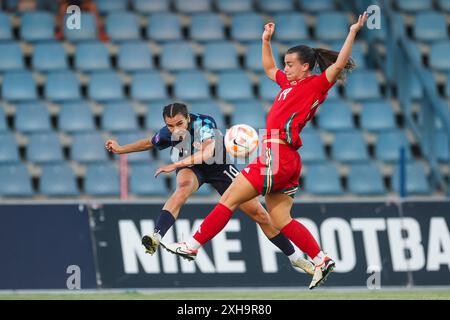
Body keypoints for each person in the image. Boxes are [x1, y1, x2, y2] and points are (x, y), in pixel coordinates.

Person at [162, 12, 369, 290]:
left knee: (230, 199)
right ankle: (321, 258)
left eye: (291, 64)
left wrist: (353, 32)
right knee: (281, 219)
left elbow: (339, 63)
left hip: (278, 154)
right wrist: (265, 41)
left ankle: (192, 244)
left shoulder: (315, 84)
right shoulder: (288, 84)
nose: (286, 68)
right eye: (287, 64)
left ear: (306, 66)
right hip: (287, 159)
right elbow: (269, 69)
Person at [105, 103, 315, 275]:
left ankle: (295, 258)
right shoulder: (168, 132)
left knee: (260, 214)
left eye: (179, 123)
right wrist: (121, 149)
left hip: (219, 167)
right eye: (170, 126)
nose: (175, 129)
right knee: (182, 190)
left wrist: (175, 164)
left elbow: (207, 154)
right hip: (191, 166)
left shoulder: (204, 123)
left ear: (188, 118)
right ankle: (156, 236)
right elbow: (149, 143)